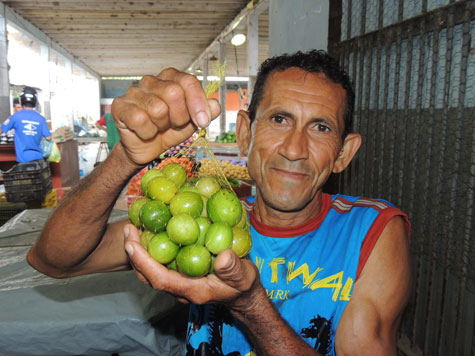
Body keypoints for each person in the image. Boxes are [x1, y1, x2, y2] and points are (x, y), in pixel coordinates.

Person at [26, 50, 412, 356]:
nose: (295, 149)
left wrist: (250, 304)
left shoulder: (369, 232)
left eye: (321, 127)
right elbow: (55, 260)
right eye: (279, 119)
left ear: (344, 153)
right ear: (245, 133)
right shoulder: (206, 214)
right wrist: (127, 158)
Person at [0, 87, 52, 163]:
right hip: (39, 159)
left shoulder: (15, 117)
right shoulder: (41, 119)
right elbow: (48, 137)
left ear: (22, 100)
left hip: (23, 160)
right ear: (35, 101)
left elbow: (1, 130)